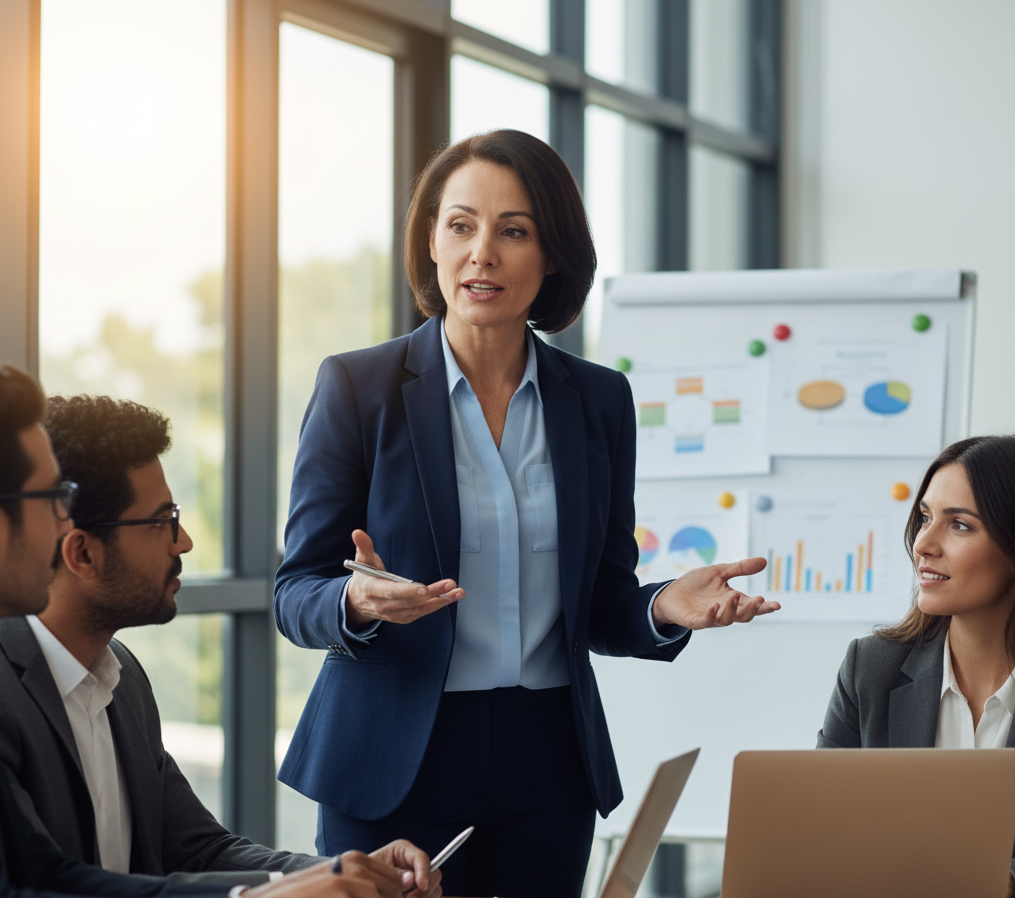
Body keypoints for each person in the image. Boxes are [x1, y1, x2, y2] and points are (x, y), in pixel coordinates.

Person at [273, 129, 779, 898]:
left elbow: (603, 600)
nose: (483, 252)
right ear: (432, 246)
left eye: (514, 231)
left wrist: (661, 607)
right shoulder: (358, 387)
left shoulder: (598, 401)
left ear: (552, 257)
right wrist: (353, 600)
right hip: (390, 757)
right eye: (461, 225)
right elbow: (293, 591)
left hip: (546, 756)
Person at [0, 364, 437, 898]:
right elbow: (40, 886)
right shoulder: (7, 693)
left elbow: (197, 848)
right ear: (83, 553)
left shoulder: (123, 678)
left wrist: (346, 874)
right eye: (162, 521)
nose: (183, 542)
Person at [817, 434, 1015, 885]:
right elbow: (823, 834)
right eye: (925, 517)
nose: (924, 543)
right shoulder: (870, 669)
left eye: (959, 524)